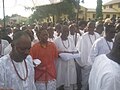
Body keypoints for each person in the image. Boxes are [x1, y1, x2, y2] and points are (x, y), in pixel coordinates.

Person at [76, 21, 100, 90]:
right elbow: (78, 50)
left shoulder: (98, 36)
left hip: (96, 64)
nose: (90, 28)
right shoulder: (83, 37)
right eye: (88, 27)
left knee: (94, 81)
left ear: (94, 27)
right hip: (86, 64)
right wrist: (81, 63)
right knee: (85, 82)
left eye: (91, 27)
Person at [54, 25, 78, 90]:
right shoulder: (56, 41)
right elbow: (54, 53)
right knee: (61, 80)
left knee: (70, 80)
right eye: (65, 31)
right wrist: (62, 54)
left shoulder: (70, 40)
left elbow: (74, 49)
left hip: (70, 63)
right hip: (61, 64)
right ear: (61, 31)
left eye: (67, 31)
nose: (66, 33)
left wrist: (75, 53)